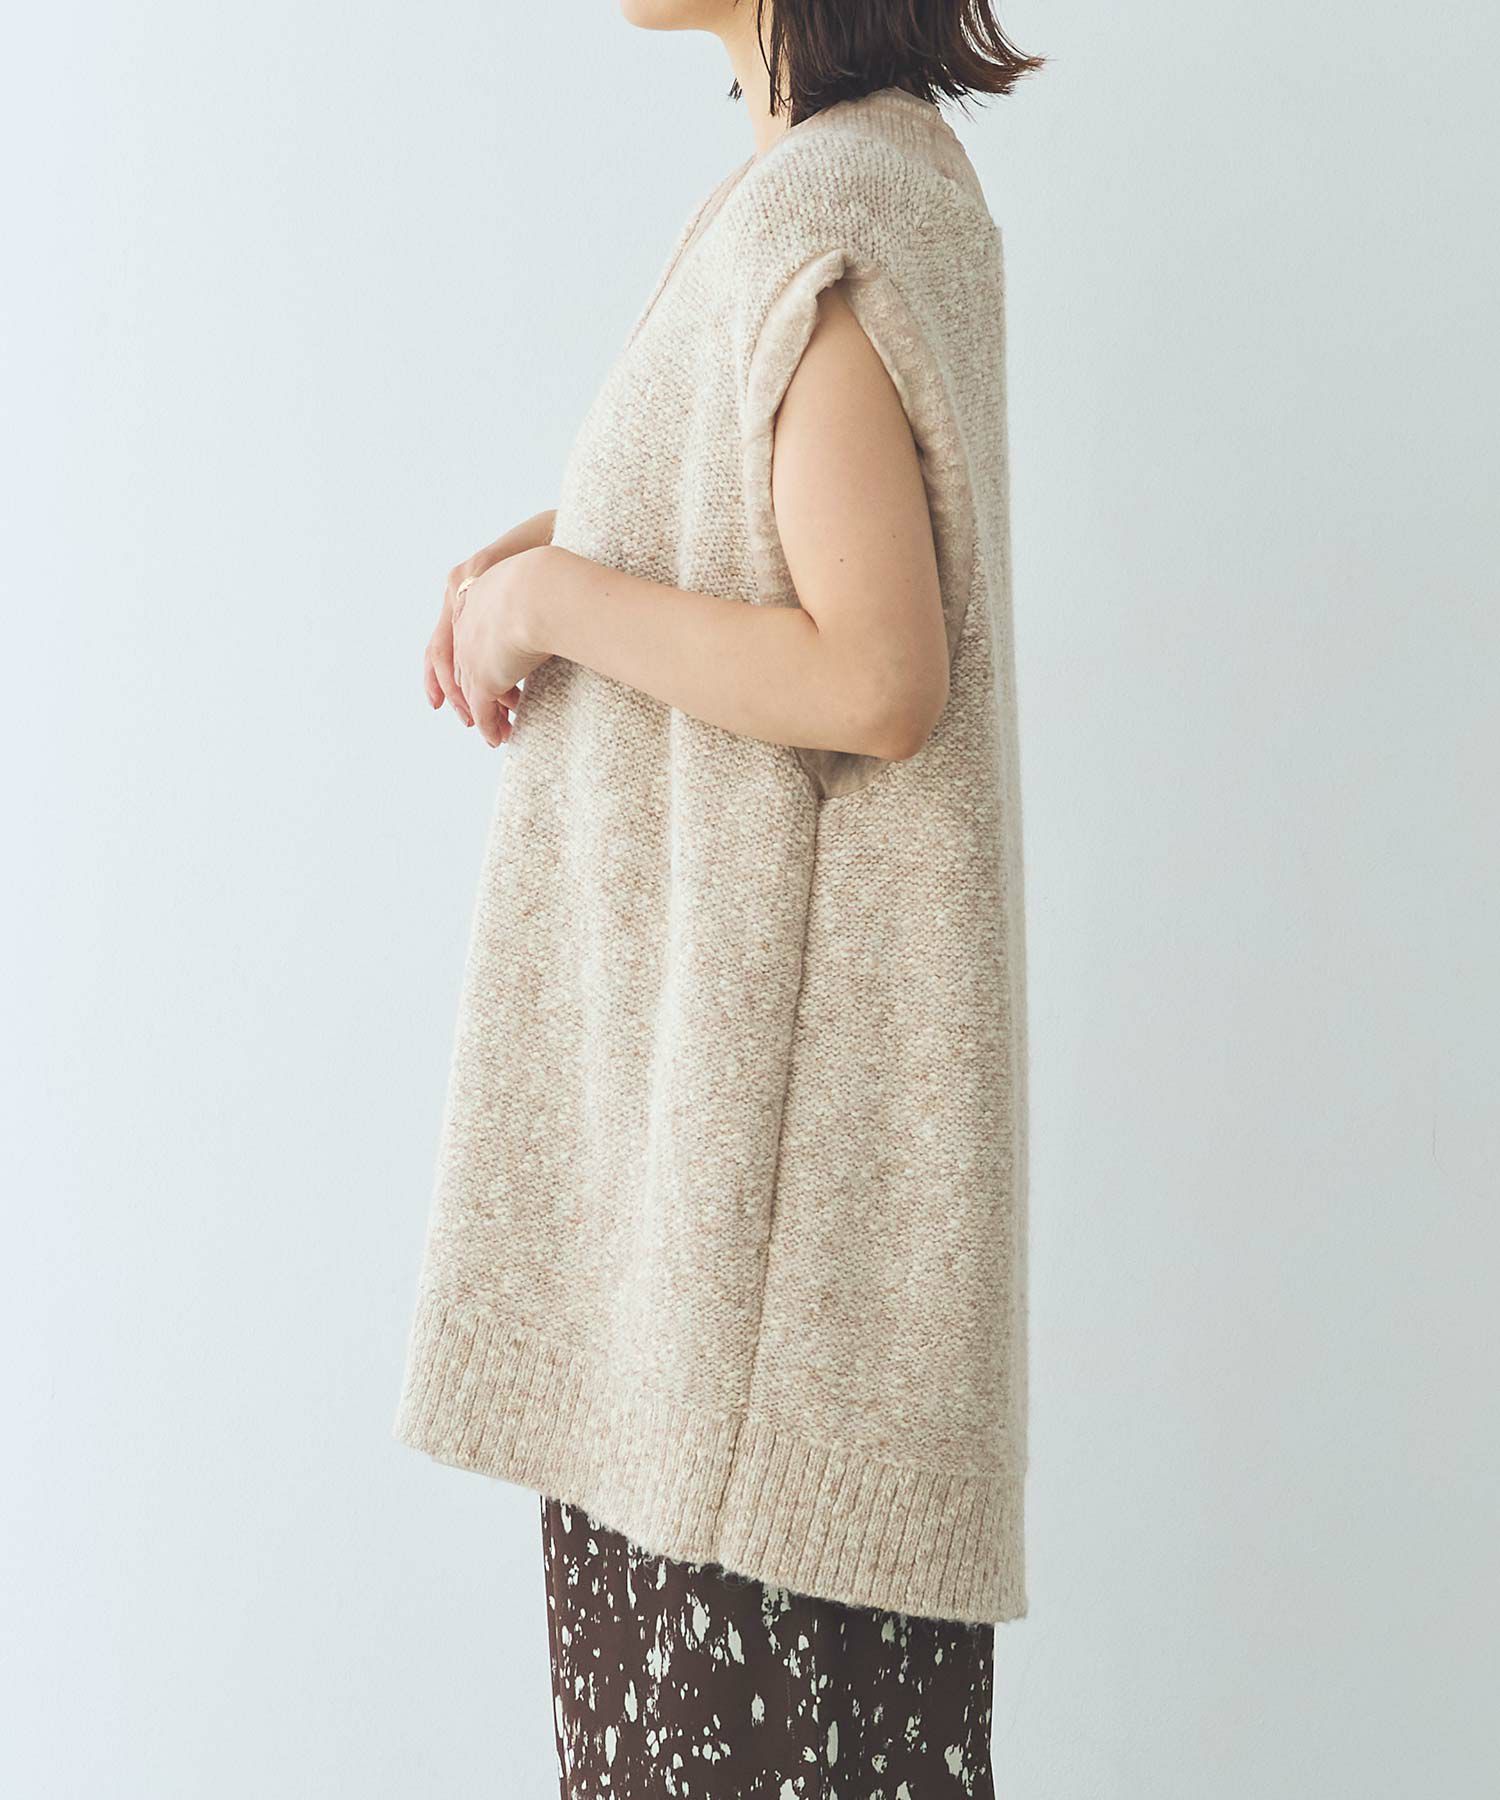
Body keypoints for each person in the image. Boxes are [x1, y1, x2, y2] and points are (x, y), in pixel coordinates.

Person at [395, 3, 1041, 1793]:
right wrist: (570, 541)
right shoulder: (870, 177)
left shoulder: (820, 208)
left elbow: (875, 675)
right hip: (756, 1266)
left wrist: (554, 608)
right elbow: (783, 525)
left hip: (751, 1290)